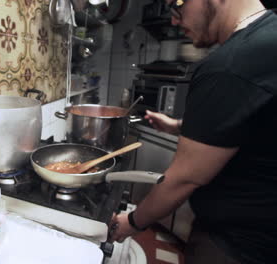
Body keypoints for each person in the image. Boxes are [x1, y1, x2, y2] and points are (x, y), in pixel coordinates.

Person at [108, 0, 277, 263]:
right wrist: (177, 126)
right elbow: (249, 127)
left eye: (177, 5)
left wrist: (132, 221)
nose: (174, 20)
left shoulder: (233, 63)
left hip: (237, 246)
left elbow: (183, 179)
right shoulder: (268, 37)